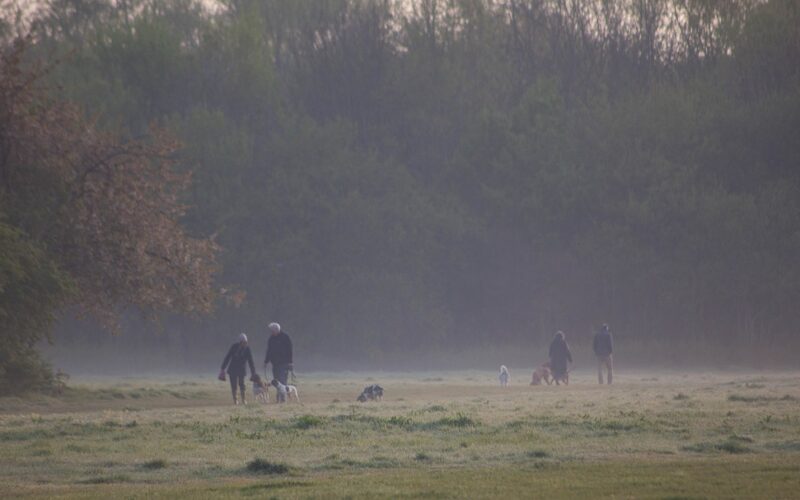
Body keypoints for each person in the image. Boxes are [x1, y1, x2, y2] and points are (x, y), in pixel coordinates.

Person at [220, 333, 257, 405]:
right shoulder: (234, 347)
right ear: (240, 341)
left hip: (241, 369)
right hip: (232, 369)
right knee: (233, 385)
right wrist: (223, 368)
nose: (245, 343)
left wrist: (253, 372)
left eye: (246, 342)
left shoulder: (247, 349)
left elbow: (250, 361)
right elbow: (228, 357)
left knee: (242, 384)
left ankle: (244, 399)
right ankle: (235, 400)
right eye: (243, 342)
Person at [264, 322, 293, 402]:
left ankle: (282, 398)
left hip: (284, 363)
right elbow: (269, 351)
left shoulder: (285, 337)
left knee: (282, 380)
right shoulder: (271, 339)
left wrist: (290, 362)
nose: (271, 332)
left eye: (272, 331)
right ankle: (279, 397)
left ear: (277, 330)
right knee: (276, 380)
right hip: (275, 363)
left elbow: (290, 350)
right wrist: (266, 361)